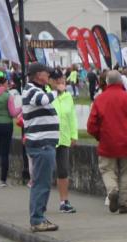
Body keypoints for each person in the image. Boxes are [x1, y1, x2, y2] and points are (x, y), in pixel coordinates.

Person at [87, 70, 127, 214]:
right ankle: (123, 203)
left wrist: (99, 136)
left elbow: (91, 126)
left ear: (107, 82)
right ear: (121, 82)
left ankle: (112, 190)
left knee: (107, 169)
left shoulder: (99, 99)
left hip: (107, 142)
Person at [22, 63, 62, 232]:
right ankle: (37, 219)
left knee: (42, 182)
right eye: (47, 73)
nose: (49, 76)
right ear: (39, 75)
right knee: (41, 183)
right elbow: (44, 100)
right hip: (42, 144)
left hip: (45, 143)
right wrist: (57, 90)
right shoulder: (31, 90)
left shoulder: (36, 90)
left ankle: (39, 217)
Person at [50, 70, 78, 213]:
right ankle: (40, 203)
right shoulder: (46, 95)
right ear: (51, 81)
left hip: (64, 138)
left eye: (62, 80)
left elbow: (72, 116)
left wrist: (74, 135)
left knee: (63, 171)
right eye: (57, 81)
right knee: (45, 172)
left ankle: (64, 201)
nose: (61, 83)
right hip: (48, 138)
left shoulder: (67, 96)